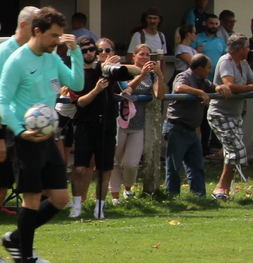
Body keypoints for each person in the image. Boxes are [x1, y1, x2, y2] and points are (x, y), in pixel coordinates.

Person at [0, 7, 82, 263]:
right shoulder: (17, 60)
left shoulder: (53, 58)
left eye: (60, 36)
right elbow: (1, 102)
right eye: (54, 35)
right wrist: (20, 131)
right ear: (37, 31)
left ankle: (15, 239)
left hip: (46, 136)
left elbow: (76, 84)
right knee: (31, 199)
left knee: (60, 198)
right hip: (23, 137)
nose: (57, 40)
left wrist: (75, 52)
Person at [0, 5, 39, 263]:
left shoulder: (33, 53)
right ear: (24, 26)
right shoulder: (3, 52)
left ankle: (24, 250)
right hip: (0, 129)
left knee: (32, 190)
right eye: (38, 27)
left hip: (21, 130)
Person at [69, 36, 126, 219]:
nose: (89, 53)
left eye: (92, 49)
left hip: (107, 125)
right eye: (84, 50)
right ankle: (76, 205)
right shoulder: (76, 74)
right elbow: (81, 103)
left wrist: (119, 65)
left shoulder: (105, 69)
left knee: (105, 169)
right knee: (79, 169)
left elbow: (131, 72)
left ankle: (100, 208)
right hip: (85, 125)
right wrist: (97, 89)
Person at [207, 34, 253, 199]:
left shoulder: (244, 64)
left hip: (235, 115)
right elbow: (229, 85)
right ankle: (220, 188)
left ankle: (225, 191)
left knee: (233, 153)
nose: (249, 49)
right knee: (237, 151)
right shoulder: (226, 61)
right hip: (220, 114)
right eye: (247, 47)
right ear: (240, 49)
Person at [114, 43, 163, 199]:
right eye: (141, 54)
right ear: (134, 56)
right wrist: (141, 75)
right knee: (115, 161)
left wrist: (160, 74)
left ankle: (128, 189)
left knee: (131, 163)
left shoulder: (152, 74)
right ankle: (114, 195)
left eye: (148, 55)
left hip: (138, 123)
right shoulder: (125, 71)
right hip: (121, 122)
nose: (145, 57)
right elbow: (126, 90)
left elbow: (160, 94)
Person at [164, 55, 214, 197]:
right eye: (209, 68)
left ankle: (199, 197)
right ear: (199, 68)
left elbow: (215, 87)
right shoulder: (184, 76)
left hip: (192, 130)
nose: (210, 71)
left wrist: (223, 87)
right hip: (176, 128)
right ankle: (171, 197)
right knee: (174, 166)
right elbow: (179, 88)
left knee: (197, 166)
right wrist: (200, 93)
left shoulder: (203, 81)